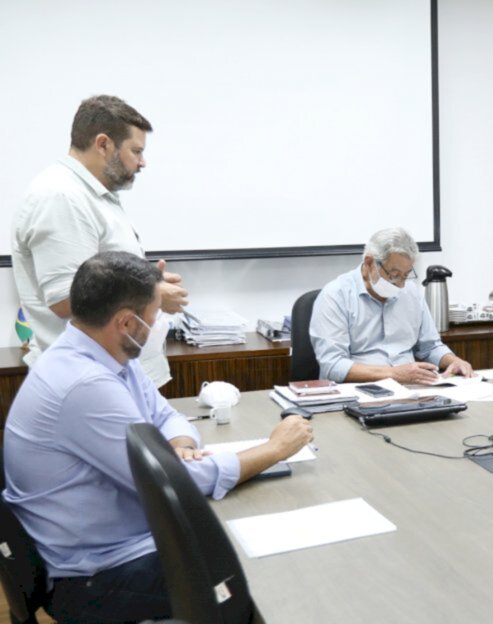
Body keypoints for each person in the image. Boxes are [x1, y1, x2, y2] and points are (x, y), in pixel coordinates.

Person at [2, 251, 314, 623]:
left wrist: (180, 446)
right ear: (126, 323)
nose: (158, 322)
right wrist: (274, 450)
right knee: (257, 581)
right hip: (94, 577)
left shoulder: (104, 355)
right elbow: (177, 485)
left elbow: (165, 414)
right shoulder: (84, 385)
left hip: (118, 544)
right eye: (155, 314)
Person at [11, 95, 189, 387]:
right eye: (136, 151)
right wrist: (152, 292)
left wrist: (147, 281)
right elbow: (66, 298)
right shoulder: (62, 197)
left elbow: (106, 276)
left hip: (114, 374)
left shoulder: (94, 194)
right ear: (103, 144)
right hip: (87, 381)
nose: (143, 162)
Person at [310, 227, 473, 384]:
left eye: (406, 275)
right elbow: (333, 366)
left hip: (411, 388)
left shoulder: (410, 292)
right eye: (394, 275)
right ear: (369, 263)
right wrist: (394, 374)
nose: (401, 285)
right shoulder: (335, 296)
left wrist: (454, 360)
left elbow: (430, 346)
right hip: (357, 391)